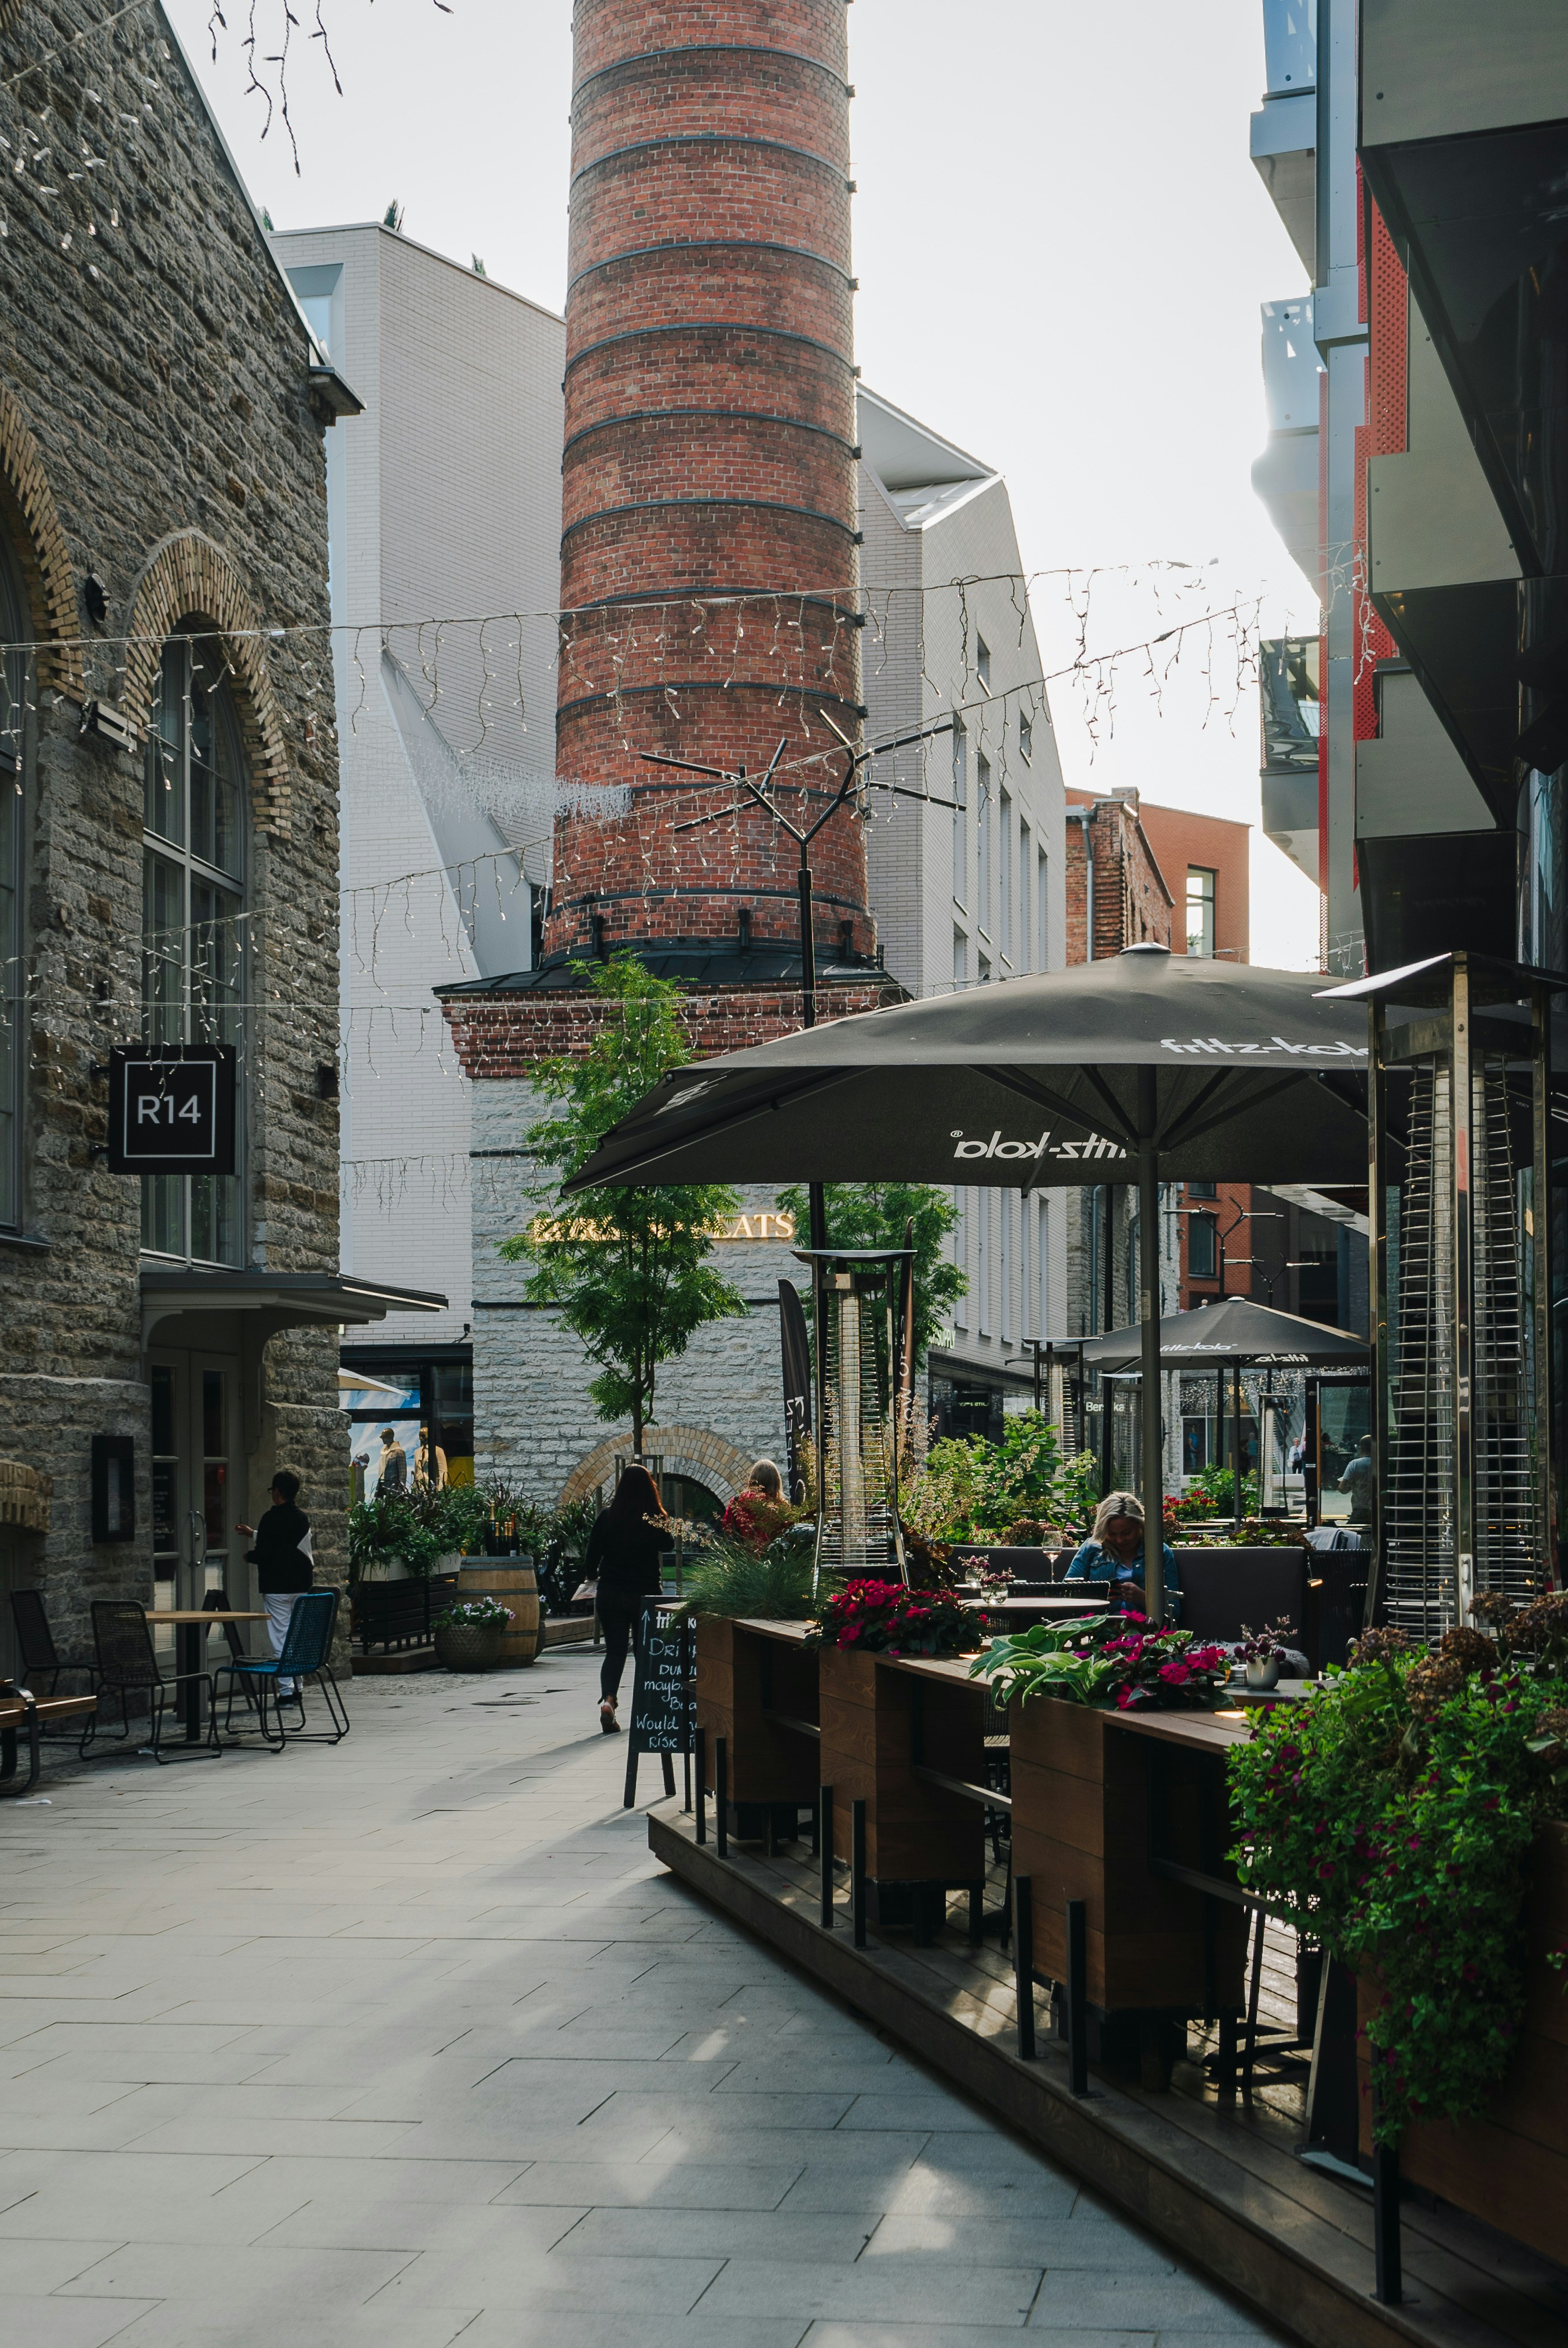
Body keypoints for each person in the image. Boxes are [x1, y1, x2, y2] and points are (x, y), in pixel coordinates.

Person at [582, 1463, 670, 1734]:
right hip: (645, 1596)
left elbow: (590, 1557)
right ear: (650, 1488)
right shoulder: (655, 1518)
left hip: (611, 1594)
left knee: (615, 1651)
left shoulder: (608, 1516)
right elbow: (668, 1545)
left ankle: (609, 1700)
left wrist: (594, 1575)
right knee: (646, 1653)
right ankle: (648, 1710)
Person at [235, 1470, 313, 1697]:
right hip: (301, 1584)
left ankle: (286, 1689)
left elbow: (268, 1551)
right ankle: (298, 1685)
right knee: (295, 1635)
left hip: (277, 1586)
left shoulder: (270, 1518)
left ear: (277, 1492)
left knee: (280, 1636)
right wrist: (254, 1534)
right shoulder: (301, 1517)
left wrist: (250, 1556)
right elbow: (287, 1542)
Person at [1064, 1490, 1180, 1617]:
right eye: (1112, 1534)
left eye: (1126, 1533)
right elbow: (1067, 1594)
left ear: (1139, 1526)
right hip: (1100, 1630)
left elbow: (1174, 1610)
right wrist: (1098, 1600)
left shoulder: (1159, 1552)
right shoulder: (1092, 1549)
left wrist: (1144, 1598)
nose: (1120, 1540)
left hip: (1146, 1632)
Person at [720, 1458, 790, 1553]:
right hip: (772, 1558)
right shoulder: (781, 1505)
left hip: (743, 1559)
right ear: (776, 1481)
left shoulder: (737, 1501)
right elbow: (788, 1533)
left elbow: (727, 1527)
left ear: (753, 1479)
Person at [1339, 1434, 1375, 1525]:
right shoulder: (1382, 1463)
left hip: (1360, 1508)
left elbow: (1343, 1489)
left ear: (1361, 1449)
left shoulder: (1354, 1464)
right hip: (1379, 1508)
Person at [412, 1426, 448, 1490]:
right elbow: (417, 1471)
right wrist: (414, 1488)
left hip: (431, 1486)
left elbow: (443, 1471)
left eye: (423, 1436)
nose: (421, 1438)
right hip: (420, 1488)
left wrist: (440, 1489)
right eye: (419, 1436)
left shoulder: (437, 1451)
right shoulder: (417, 1452)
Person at [375, 1428, 407, 1495]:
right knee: (379, 1503)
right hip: (382, 1482)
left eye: (384, 1437)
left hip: (393, 1485)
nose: (383, 1439)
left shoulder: (398, 1452)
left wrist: (401, 1488)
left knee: (392, 1503)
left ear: (391, 1436)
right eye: (382, 1438)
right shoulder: (383, 1452)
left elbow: (403, 1472)